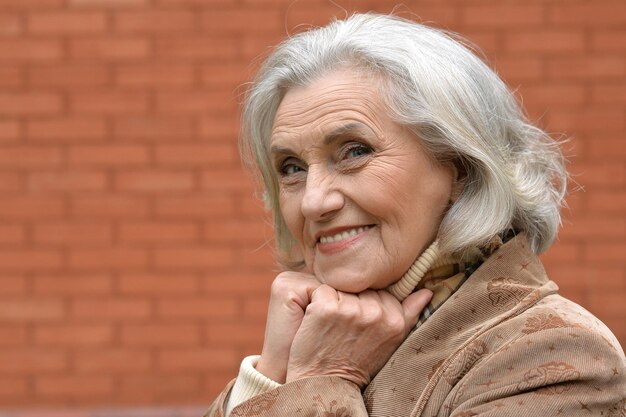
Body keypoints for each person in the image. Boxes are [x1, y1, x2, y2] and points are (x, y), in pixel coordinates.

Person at [204, 13, 626, 417]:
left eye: (355, 151)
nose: (314, 202)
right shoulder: (322, 331)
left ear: (459, 167)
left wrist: (321, 379)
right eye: (292, 168)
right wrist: (271, 374)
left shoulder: (558, 355)